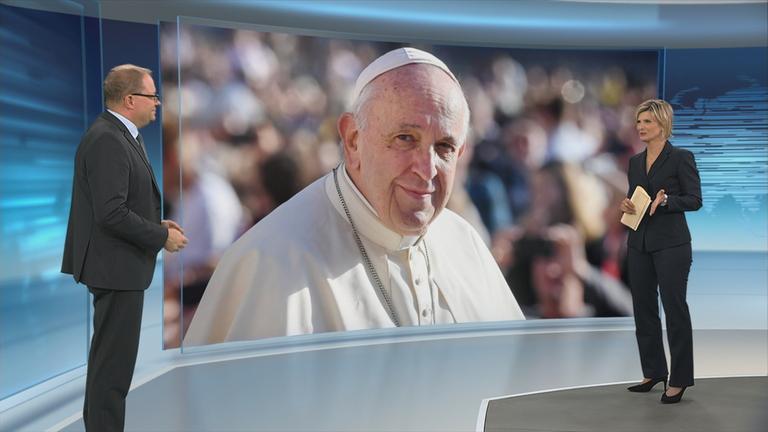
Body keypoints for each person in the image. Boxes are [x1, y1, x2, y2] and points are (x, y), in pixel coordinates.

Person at [184, 47, 524, 345]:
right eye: (405, 138)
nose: (427, 168)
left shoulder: (466, 244)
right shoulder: (272, 262)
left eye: (444, 147)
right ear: (353, 140)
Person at [61, 64, 188, 431]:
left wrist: (156, 224)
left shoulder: (120, 135)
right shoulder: (107, 139)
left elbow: (120, 203)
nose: (158, 103)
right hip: (114, 268)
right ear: (130, 99)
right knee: (112, 372)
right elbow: (111, 213)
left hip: (119, 266)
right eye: (152, 96)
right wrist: (160, 237)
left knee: (110, 367)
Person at [621, 99, 702, 404]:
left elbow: (694, 199)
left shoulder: (681, 158)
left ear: (663, 125)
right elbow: (636, 198)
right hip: (638, 243)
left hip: (672, 245)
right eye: (638, 122)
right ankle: (654, 370)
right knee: (643, 309)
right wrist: (626, 204)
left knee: (674, 309)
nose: (640, 127)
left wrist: (667, 202)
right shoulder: (633, 162)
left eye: (647, 122)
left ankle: (679, 379)